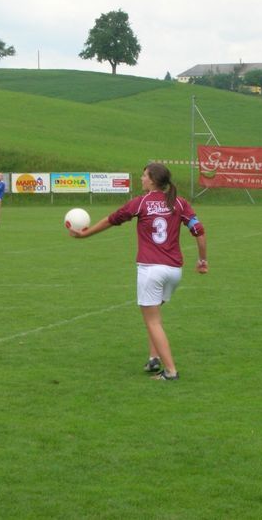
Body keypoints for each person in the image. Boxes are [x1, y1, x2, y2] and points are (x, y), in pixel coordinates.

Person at [69, 163, 208, 381]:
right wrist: (202, 260)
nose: (141, 179)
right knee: (155, 315)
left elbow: (111, 219)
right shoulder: (180, 203)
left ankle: (170, 371)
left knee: (151, 320)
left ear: (152, 180)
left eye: (144, 176)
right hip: (174, 272)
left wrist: (85, 234)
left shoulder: (141, 202)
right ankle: (154, 359)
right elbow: (199, 231)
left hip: (151, 270)